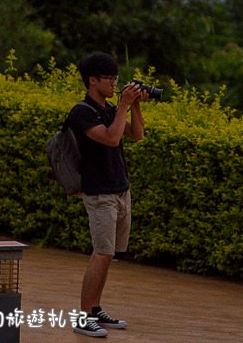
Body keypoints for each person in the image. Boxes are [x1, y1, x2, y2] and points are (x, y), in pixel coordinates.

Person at [68, 52, 147, 338]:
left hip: (119, 190)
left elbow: (136, 135)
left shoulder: (110, 107)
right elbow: (112, 139)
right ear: (92, 80)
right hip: (99, 193)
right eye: (110, 78)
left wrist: (134, 107)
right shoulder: (82, 112)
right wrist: (124, 104)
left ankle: (95, 309)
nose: (115, 83)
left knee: (108, 254)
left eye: (116, 78)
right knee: (101, 253)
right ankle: (83, 315)